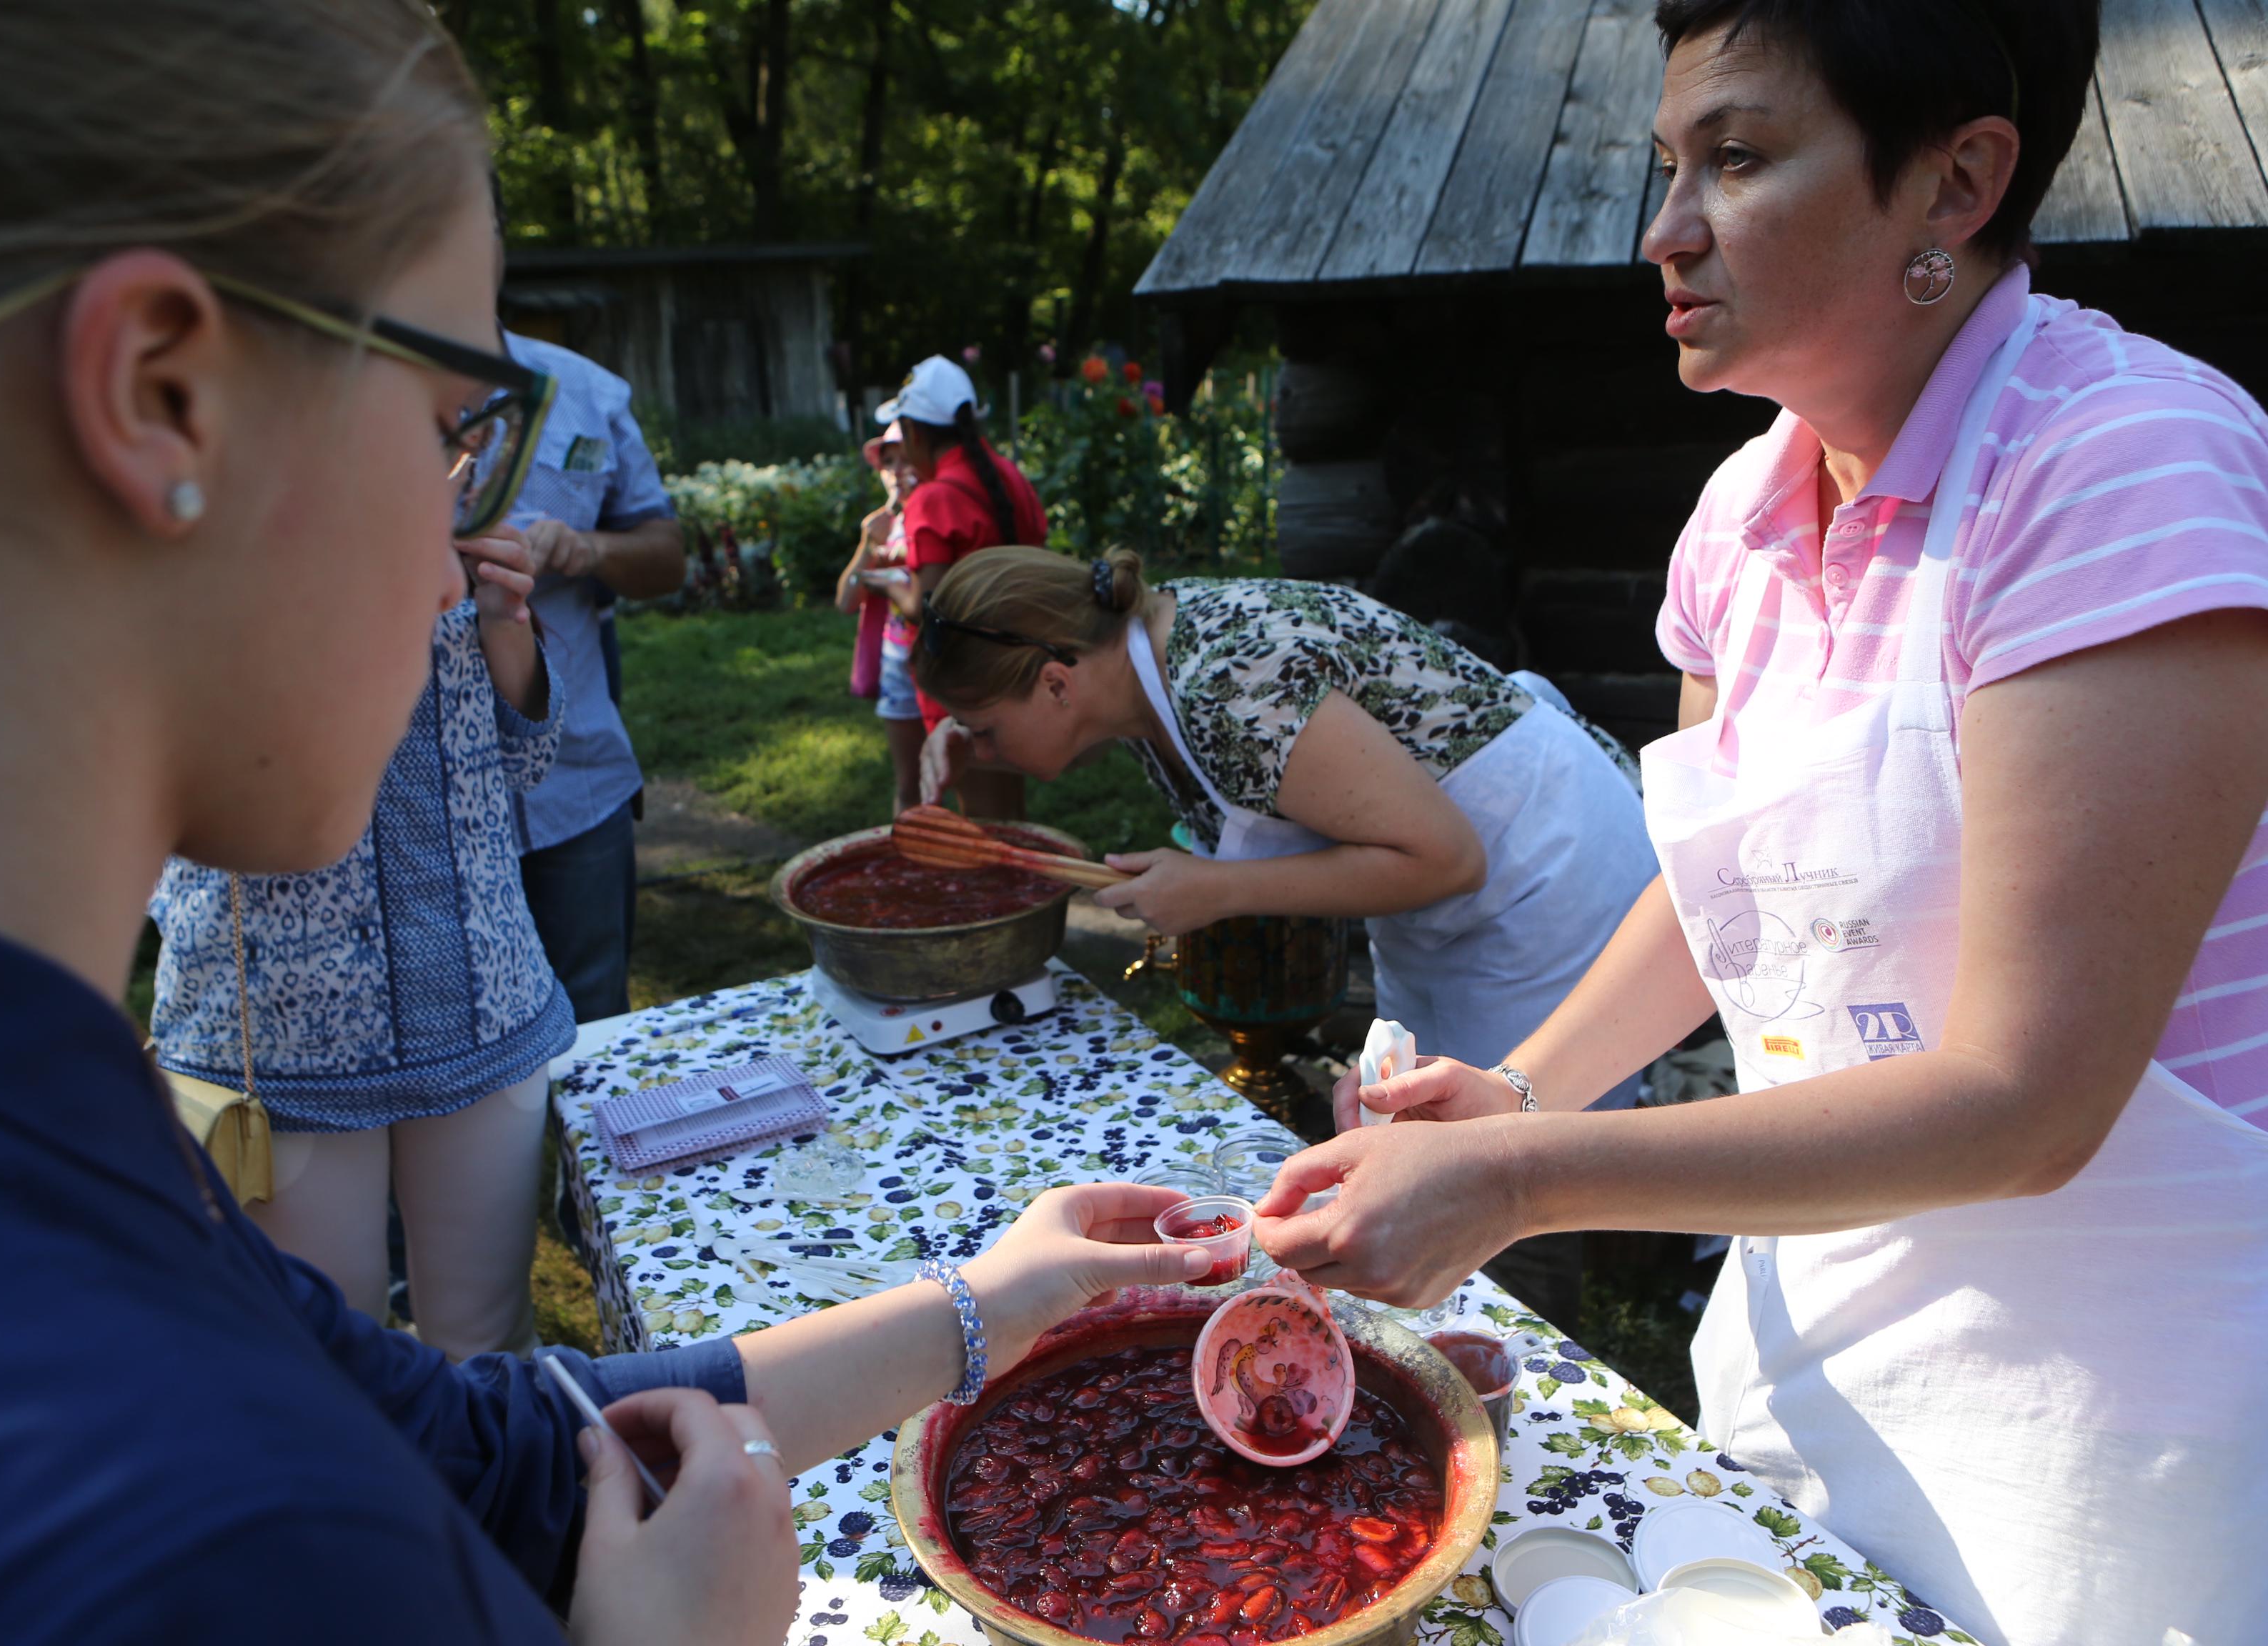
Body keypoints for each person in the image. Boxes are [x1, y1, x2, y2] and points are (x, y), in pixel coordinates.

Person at [0, 6, 1218, 1642]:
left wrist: (989, 1306)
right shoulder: (203, 1534)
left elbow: (456, 1441)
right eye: (441, 432)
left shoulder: (0, 1118)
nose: (454, 540)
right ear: (165, 396)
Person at [1255, 5, 2268, 1644]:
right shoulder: (1737, 514)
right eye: (1668, 166)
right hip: (1826, 1323)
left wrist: (1514, 1176)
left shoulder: (2117, 468)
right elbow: (1729, 878)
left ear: (1954, 182)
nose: (1660, 230)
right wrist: (1518, 1087)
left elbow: (2027, 1103)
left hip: (2119, 1413)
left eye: (1730, 159)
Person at [915, 548, 1658, 1109]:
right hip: (1450, 886)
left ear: (1054, 683)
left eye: (981, 730)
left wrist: (1219, 891)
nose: (980, 749)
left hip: (1547, 875)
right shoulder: (1136, 670)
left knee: (1507, 1153)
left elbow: (1446, 858)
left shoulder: (1228, 685)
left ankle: (1531, 1309)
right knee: (1415, 1121)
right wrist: (967, 727)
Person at [149, 522, 576, 1360]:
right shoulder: (183, 538)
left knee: (489, 1346)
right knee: (326, 1361)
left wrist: (501, 618)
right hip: (281, 1037)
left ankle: (491, 1495)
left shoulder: (426, 522)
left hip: (482, 1000)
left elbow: (526, 763)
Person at [502, 326, 684, 1024]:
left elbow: (667, 555)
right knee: (456, 1073)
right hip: (427, 810)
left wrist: (589, 547)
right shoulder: (364, 386)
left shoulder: (582, 390)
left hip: (577, 785)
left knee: (595, 1029)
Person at [873, 353, 1047, 819]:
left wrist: (889, 581)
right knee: (1010, 817)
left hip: (964, 689)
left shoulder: (934, 499)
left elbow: (927, 607)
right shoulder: (1011, 477)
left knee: (984, 828)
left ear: (916, 433)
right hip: (1021, 672)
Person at [835, 422, 930, 814]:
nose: (895, 471)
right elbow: (845, 601)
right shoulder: (884, 528)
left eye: (905, 460)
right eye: (888, 462)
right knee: (909, 781)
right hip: (897, 662)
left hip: (939, 656)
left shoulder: (933, 517)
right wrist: (867, 545)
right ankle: (911, 862)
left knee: (956, 772)